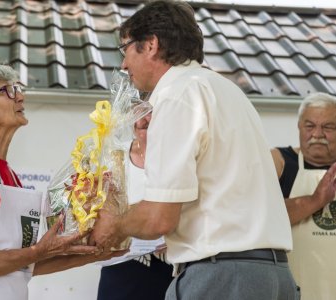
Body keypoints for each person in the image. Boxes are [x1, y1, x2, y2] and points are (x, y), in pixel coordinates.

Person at [89, 1, 299, 299]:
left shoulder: (176, 95)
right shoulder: (226, 90)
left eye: (126, 50)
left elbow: (159, 218)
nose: (123, 65)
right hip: (273, 274)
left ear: (150, 45)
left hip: (222, 276)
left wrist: (111, 221)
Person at [0, 63, 121, 300]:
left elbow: (24, 266)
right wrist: (39, 251)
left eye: (17, 89)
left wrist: (94, 254)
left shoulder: (9, 177)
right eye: (8, 91)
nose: (20, 96)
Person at [97, 112, 174, 300]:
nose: (145, 119)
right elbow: (99, 212)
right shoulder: (114, 157)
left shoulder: (178, 157)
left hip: (171, 268)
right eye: (140, 112)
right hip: (121, 268)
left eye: (153, 112)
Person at [271, 92, 336, 300]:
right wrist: (315, 200)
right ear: (299, 127)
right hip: (292, 291)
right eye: (310, 126)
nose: (317, 134)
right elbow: (261, 217)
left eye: (328, 127)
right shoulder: (279, 162)